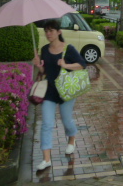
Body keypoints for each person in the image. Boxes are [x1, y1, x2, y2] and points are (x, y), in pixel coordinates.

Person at [32, 19, 87, 172]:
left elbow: (82, 64)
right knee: (47, 124)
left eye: (51, 30)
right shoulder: (43, 49)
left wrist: (66, 65)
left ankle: (72, 138)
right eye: (46, 31)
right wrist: (38, 65)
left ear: (59, 32)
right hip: (49, 92)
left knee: (66, 120)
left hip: (66, 92)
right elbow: (45, 73)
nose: (48, 34)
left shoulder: (68, 49)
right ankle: (46, 159)